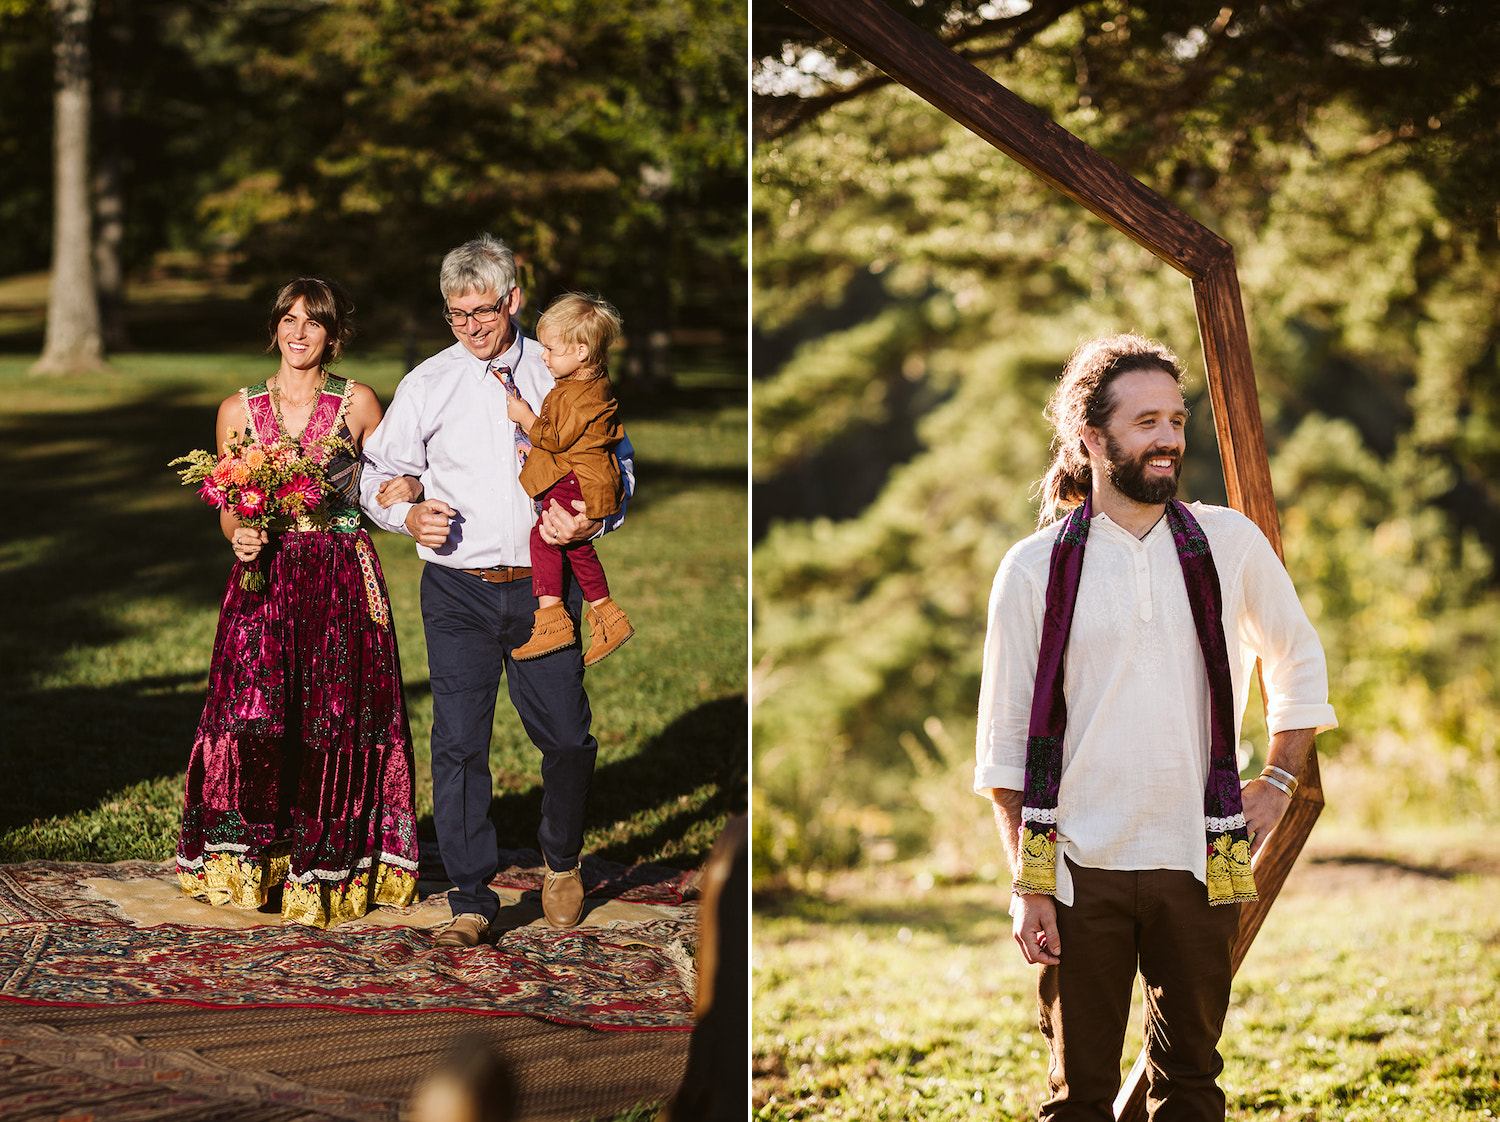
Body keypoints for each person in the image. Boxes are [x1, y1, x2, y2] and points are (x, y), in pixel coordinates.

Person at [973, 333, 1338, 1119]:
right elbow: (1005, 749)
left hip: (1205, 859)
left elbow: (1299, 662)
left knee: (1193, 1089)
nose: (1169, 437)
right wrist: (1028, 883)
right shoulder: (1032, 569)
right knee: (1079, 1099)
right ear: (1091, 438)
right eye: (1145, 423)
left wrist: (1276, 781)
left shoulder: (1230, 543)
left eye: (1175, 419)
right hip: (1077, 870)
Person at [358, 235, 635, 946]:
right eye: (456, 315)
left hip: (546, 591)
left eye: (483, 310)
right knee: (457, 744)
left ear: (513, 298)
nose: (472, 327)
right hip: (457, 590)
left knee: (569, 739)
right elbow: (378, 472)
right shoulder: (428, 383)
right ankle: (471, 896)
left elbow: (619, 466)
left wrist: (597, 513)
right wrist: (404, 511)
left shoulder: (564, 374)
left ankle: (562, 861)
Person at [175, 276, 420, 929]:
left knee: (334, 719)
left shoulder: (360, 402)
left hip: (340, 578)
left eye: (314, 321)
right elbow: (230, 511)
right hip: (263, 585)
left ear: (333, 333)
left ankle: (332, 868)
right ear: (275, 327)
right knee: (253, 719)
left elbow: (395, 485)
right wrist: (240, 535)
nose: (300, 332)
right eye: (289, 318)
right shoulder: (238, 410)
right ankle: (249, 862)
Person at [505, 292, 634, 665]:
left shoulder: (575, 396)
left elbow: (555, 439)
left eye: (551, 350)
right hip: (587, 474)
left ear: (581, 351)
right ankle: (607, 614)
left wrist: (525, 416)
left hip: (575, 475)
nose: (543, 357)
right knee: (575, 544)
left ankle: (552, 621)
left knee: (544, 535)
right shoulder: (591, 382)